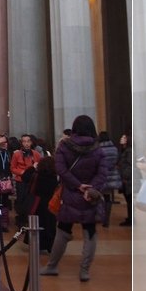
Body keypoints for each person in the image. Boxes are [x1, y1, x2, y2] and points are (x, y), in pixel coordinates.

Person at [40, 114, 107, 281]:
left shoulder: (64, 146)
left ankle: (52, 265)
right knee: (90, 232)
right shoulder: (97, 148)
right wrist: (91, 188)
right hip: (89, 197)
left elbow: (61, 170)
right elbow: (103, 172)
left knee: (63, 230)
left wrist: (77, 185)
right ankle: (84, 270)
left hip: (70, 194)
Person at [19, 157, 58, 252]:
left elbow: (24, 177)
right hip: (50, 203)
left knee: (36, 224)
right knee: (50, 225)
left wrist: (32, 167)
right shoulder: (54, 177)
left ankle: (35, 244)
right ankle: (49, 245)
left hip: (37, 203)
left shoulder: (36, 175)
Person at [11, 133, 42, 228]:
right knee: (21, 199)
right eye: (24, 142)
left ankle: (29, 218)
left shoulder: (36, 154)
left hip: (32, 181)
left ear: (31, 142)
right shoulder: (16, 154)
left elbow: (40, 166)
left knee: (31, 200)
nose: (26, 144)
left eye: (28, 141)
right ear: (21, 143)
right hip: (21, 180)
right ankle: (21, 219)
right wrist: (23, 172)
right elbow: (12, 168)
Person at [97, 131, 121, 227]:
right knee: (108, 198)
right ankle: (107, 219)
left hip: (101, 175)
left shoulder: (98, 150)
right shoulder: (114, 149)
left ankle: (101, 217)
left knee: (99, 197)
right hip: (112, 176)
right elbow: (116, 161)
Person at [117, 131, 132, 226]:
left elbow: (130, 165)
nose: (121, 139)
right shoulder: (124, 150)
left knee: (129, 200)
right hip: (125, 178)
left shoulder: (129, 151)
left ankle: (131, 219)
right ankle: (130, 218)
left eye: (124, 138)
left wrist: (125, 175)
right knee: (128, 200)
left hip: (128, 180)